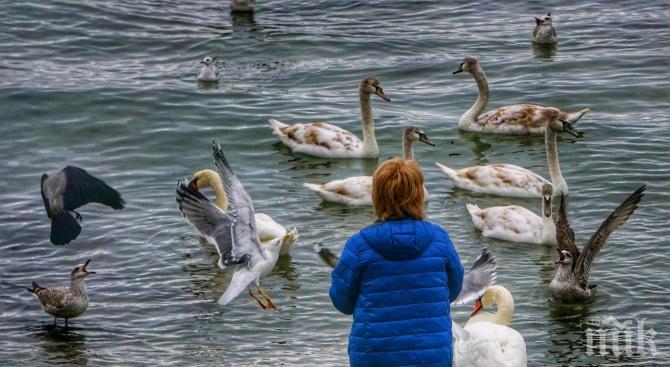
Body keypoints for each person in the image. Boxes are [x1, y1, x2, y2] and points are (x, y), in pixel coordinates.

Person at [329, 158, 464, 366]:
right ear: (419, 195)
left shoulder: (359, 244)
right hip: (431, 356)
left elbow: (342, 303)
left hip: (374, 355)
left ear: (377, 197)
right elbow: (453, 291)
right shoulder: (440, 239)